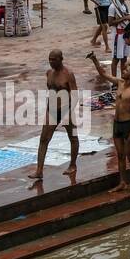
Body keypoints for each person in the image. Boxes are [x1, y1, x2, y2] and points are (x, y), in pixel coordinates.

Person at [85, 53, 130, 193]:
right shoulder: (119, 82)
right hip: (117, 124)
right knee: (119, 155)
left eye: (126, 70)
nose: (123, 71)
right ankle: (122, 182)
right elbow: (103, 74)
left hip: (127, 125)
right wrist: (95, 60)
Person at [31, 50, 79, 182]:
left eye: (54, 59)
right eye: (49, 59)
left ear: (61, 59)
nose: (51, 62)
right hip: (51, 109)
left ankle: (73, 164)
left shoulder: (68, 75)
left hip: (66, 109)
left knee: (73, 137)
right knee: (43, 139)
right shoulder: (49, 73)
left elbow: (75, 95)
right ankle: (39, 170)